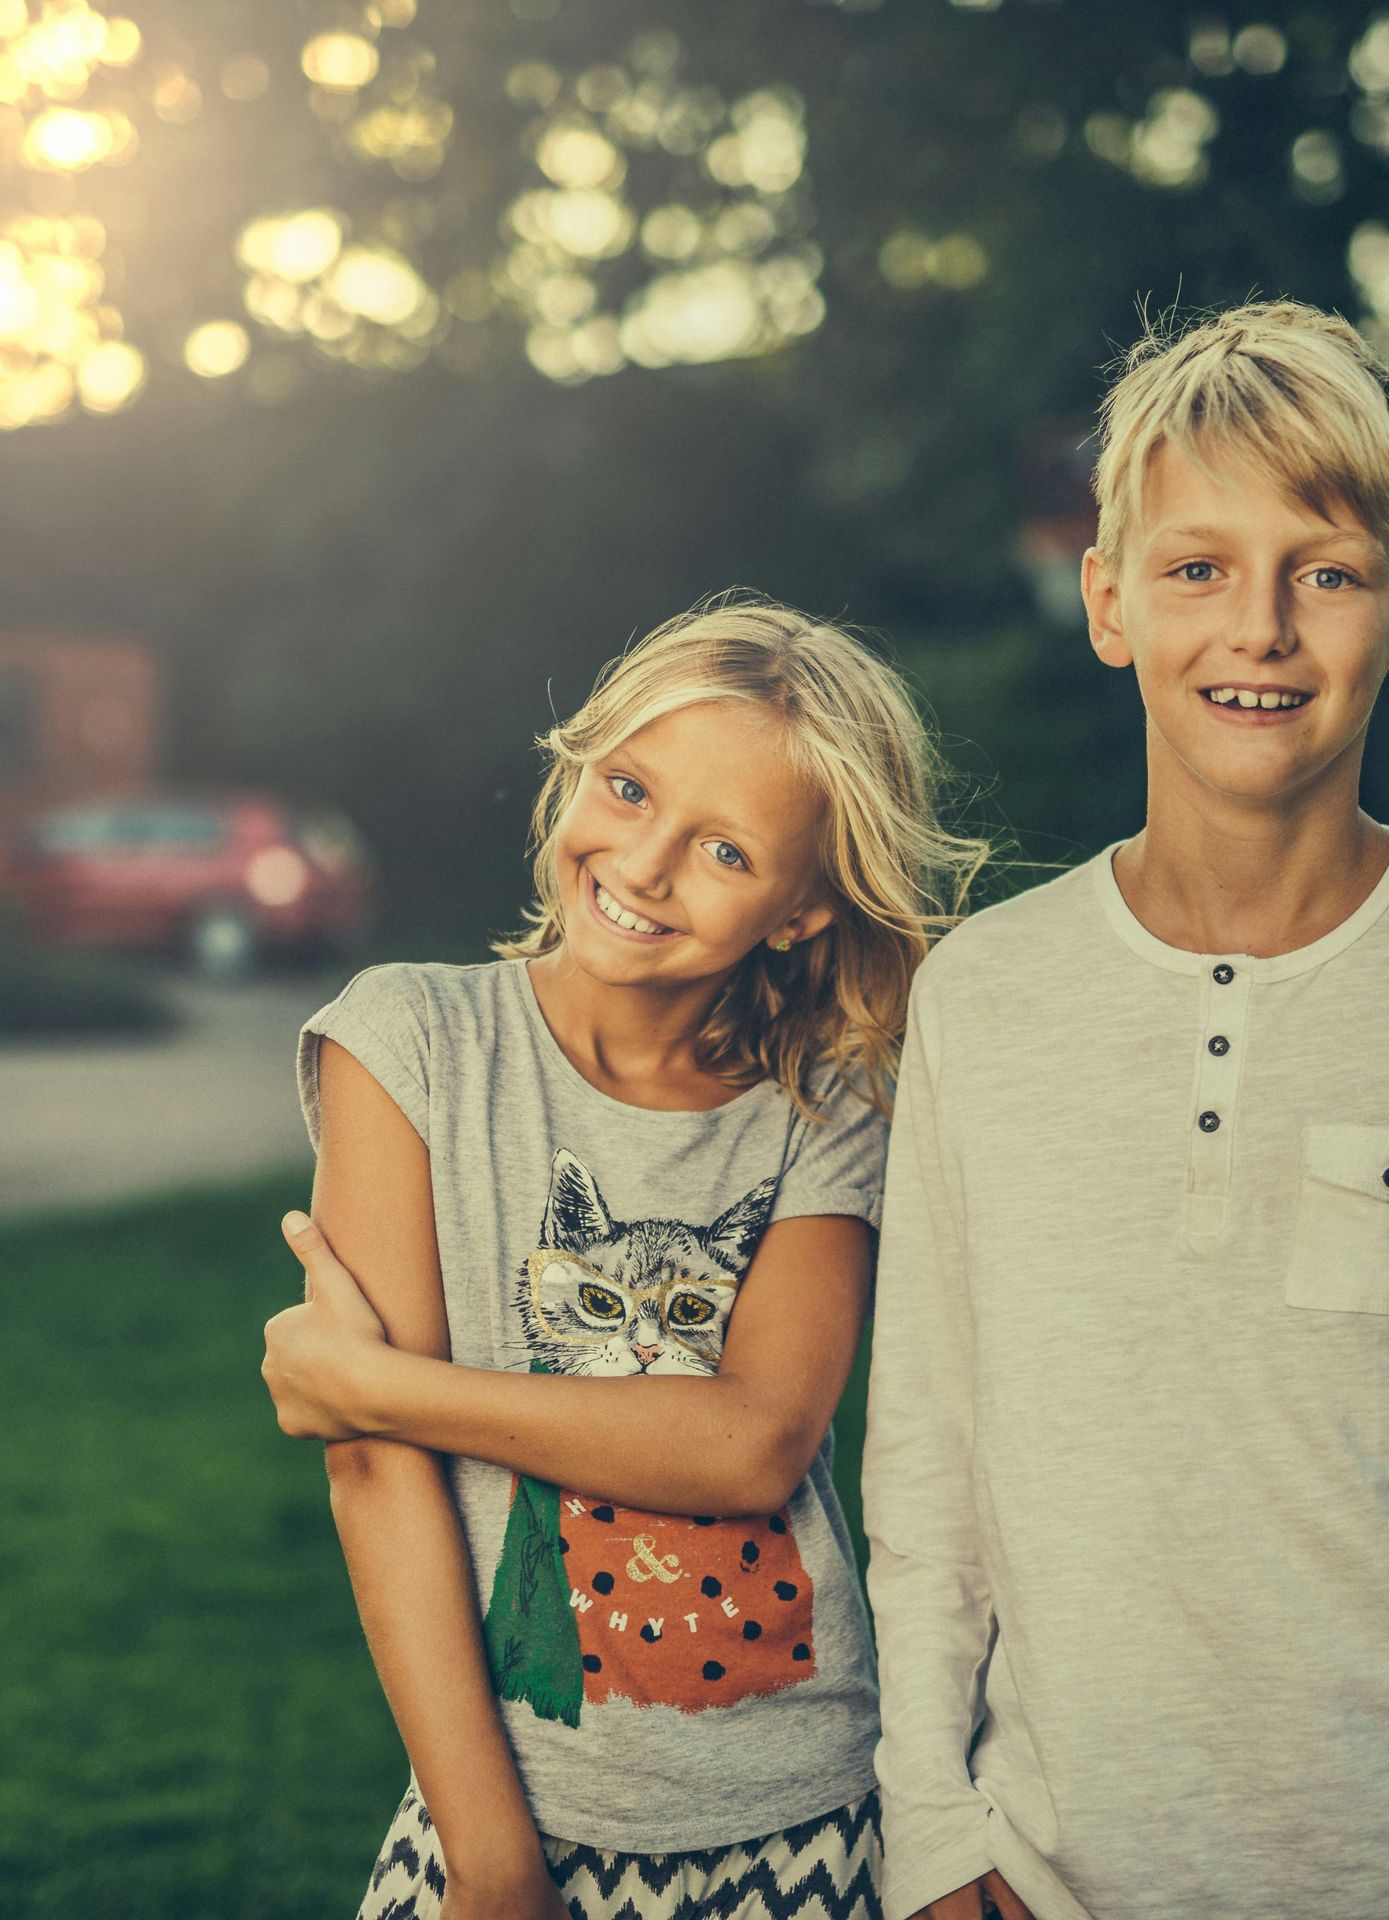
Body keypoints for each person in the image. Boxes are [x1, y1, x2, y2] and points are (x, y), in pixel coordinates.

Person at [861, 301, 1389, 1920]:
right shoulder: (989, 997)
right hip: (1045, 1875)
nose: (1261, 629)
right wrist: (935, 1834)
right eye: (1196, 569)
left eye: (1326, 571)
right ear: (1107, 602)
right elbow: (927, 1457)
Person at [261, 597, 986, 1920]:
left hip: (803, 1815)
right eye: (630, 790)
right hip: (502, 1826)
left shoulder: (825, 1108)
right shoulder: (409, 1041)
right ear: (577, 769)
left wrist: (374, 1384)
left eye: (721, 848)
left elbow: (752, 1443)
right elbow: (376, 1478)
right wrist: (490, 1859)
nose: (643, 865)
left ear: (802, 907)